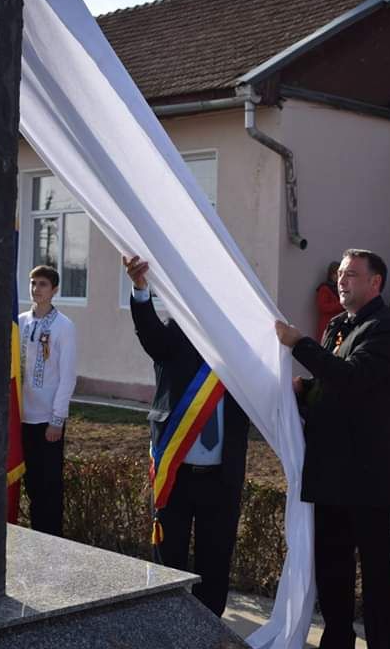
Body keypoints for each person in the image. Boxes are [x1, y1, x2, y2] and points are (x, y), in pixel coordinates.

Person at [276, 249, 390, 649]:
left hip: (369, 476)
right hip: (332, 472)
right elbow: (331, 387)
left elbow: (354, 378)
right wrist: (305, 390)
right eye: (340, 274)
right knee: (333, 568)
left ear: (375, 282)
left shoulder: (386, 329)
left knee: (377, 573)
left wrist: (300, 345)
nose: (341, 280)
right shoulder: (338, 325)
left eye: (351, 274)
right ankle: (337, 639)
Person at [123, 255, 250, 617]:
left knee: (215, 560)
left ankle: (210, 629)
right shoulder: (178, 332)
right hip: (176, 474)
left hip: (221, 477)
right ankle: (169, 625)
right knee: (169, 559)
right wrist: (141, 290)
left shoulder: (241, 347)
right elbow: (150, 334)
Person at [18, 265, 77, 537]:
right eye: (33, 283)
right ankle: (34, 537)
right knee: (31, 483)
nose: (36, 289)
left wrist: (57, 419)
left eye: (42, 284)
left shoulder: (64, 326)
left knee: (49, 486)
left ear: (54, 290)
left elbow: (67, 376)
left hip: (47, 420)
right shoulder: (20, 322)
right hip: (22, 416)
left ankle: (51, 540)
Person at [316, 261, 344, 340]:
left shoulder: (340, 288)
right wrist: (341, 305)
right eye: (335, 274)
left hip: (339, 324)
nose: (337, 277)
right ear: (331, 274)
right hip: (328, 324)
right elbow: (323, 307)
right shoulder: (324, 288)